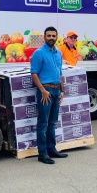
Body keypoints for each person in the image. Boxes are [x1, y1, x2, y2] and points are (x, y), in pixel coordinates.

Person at [30, 26, 68, 164]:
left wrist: (63, 91)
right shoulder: (38, 53)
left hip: (56, 90)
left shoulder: (58, 53)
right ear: (44, 37)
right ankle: (42, 153)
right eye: (49, 36)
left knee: (52, 123)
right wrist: (42, 90)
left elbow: (60, 73)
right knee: (43, 123)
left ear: (56, 37)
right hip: (45, 91)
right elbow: (34, 73)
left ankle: (52, 149)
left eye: (53, 36)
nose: (51, 38)